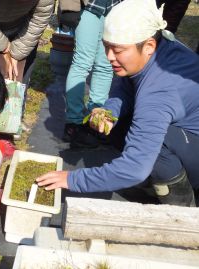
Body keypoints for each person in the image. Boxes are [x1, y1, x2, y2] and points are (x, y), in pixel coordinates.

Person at [37, 0, 199, 207]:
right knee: (123, 128)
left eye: (118, 50)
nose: (109, 57)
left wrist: (71, 179)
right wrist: (109, 111)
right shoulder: (154, 51)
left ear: (149, 45)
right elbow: (125, 86)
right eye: (106, 47)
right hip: (184, 133)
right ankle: (156, 179)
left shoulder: (159, 90)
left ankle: (182, 207)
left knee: (154, 145)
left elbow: (134, 168)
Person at [63, 0, 121, 148]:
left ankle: (96, 120)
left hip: (116, 8)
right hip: (90, 6)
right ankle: (74, 124)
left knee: (106, 65)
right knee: (82, 63)